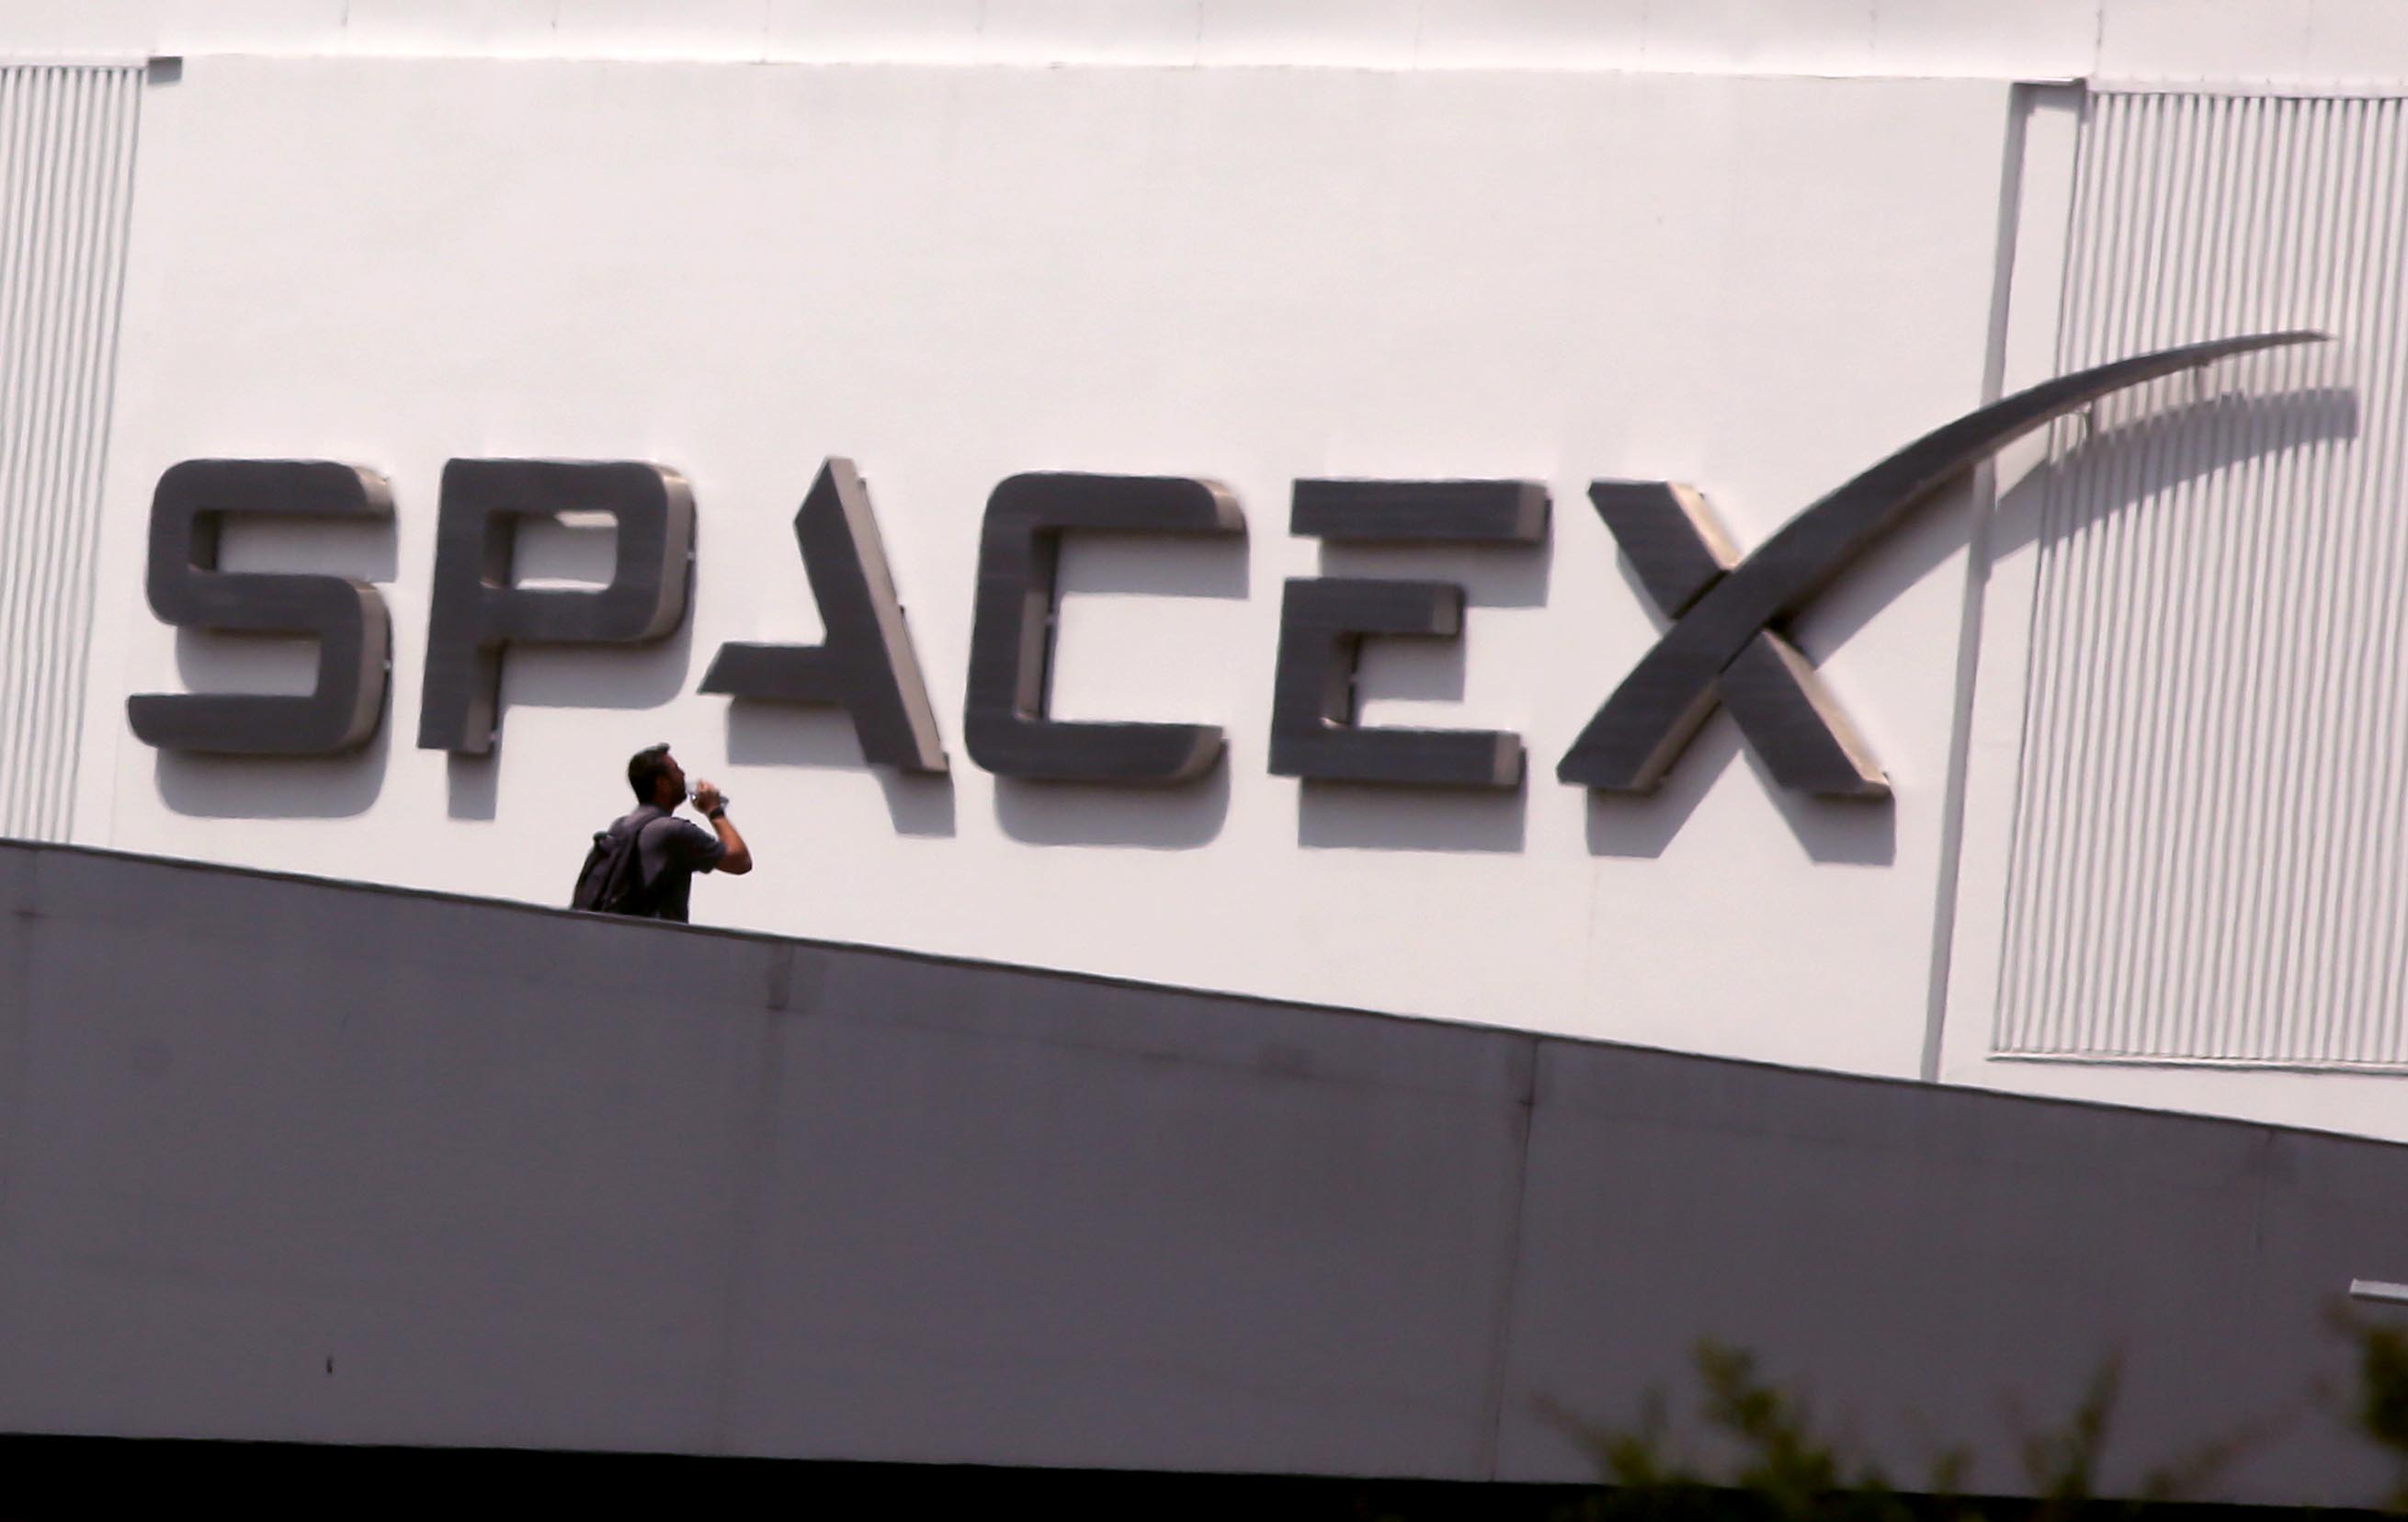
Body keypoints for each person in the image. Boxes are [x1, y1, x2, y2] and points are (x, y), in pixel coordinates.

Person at [602, 743, 753, 923]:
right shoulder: (673, 832)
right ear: (663, 784)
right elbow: (740, 860)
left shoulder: (621, 827)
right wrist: (714, 810)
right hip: (660, 942)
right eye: (676, 770)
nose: (683, 775)